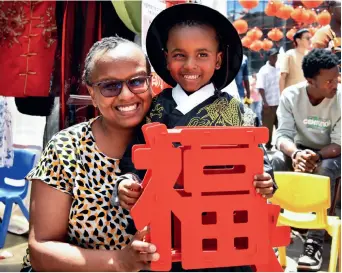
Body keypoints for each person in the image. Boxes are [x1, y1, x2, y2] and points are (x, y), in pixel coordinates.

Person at [116, 3, 277, 271]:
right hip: (167, 234)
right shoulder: (153, 109)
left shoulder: (239, 114)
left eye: (202, 54)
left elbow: (261, 162)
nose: (190, 65)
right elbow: (132, 161)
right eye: (180, 55)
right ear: (166, 59)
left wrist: (265, 182)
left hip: (224, 234)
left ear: (218, 59)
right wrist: (126, 184)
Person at [21, 37, 160, 272]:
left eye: (136, 81)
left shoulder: (173, 141)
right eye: (110, 86)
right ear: (92, 93)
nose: (126, 95)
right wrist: (120, 262)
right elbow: (41, 249)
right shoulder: (67, 148)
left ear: (151, 82)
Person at [272, 48, 341, 272]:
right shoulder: (291, 96)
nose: (335, 83)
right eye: (329, 80)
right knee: (273, 163)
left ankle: (314, 243)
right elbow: (282, 135)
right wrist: (296, 154)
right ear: (310, 80)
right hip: (299, 149)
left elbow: (339, 143)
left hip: (331, 153)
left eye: (337, 77)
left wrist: (317, 155)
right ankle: (272, 233)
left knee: (325, 168)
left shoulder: (340, 99)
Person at [256, 48, 280, 150]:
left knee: (280, 126)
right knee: (268, 127)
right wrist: (265, 102)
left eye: (276, 56)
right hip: (269, 104)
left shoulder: (279, 69)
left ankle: (280, 145)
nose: (275, 58)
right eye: (273, 56)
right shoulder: (264, 70)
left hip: (279, 103)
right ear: (269, 57)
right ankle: (268, 145)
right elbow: (261, 87)